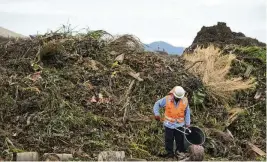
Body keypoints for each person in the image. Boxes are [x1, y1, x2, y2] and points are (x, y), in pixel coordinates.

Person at [153, 86, 190, 158]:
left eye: (180, 97)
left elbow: (187, 112)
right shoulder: (167, 99)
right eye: (177, 97)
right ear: (174, 94)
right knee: (168, 139)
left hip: (179, 125)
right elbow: (157, 104)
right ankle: (170, 154)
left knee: (180, 140)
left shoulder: (185, 101)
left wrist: (188, 124)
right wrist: (156, 114)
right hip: (169, 125)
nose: (179, 99)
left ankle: (179, 153)